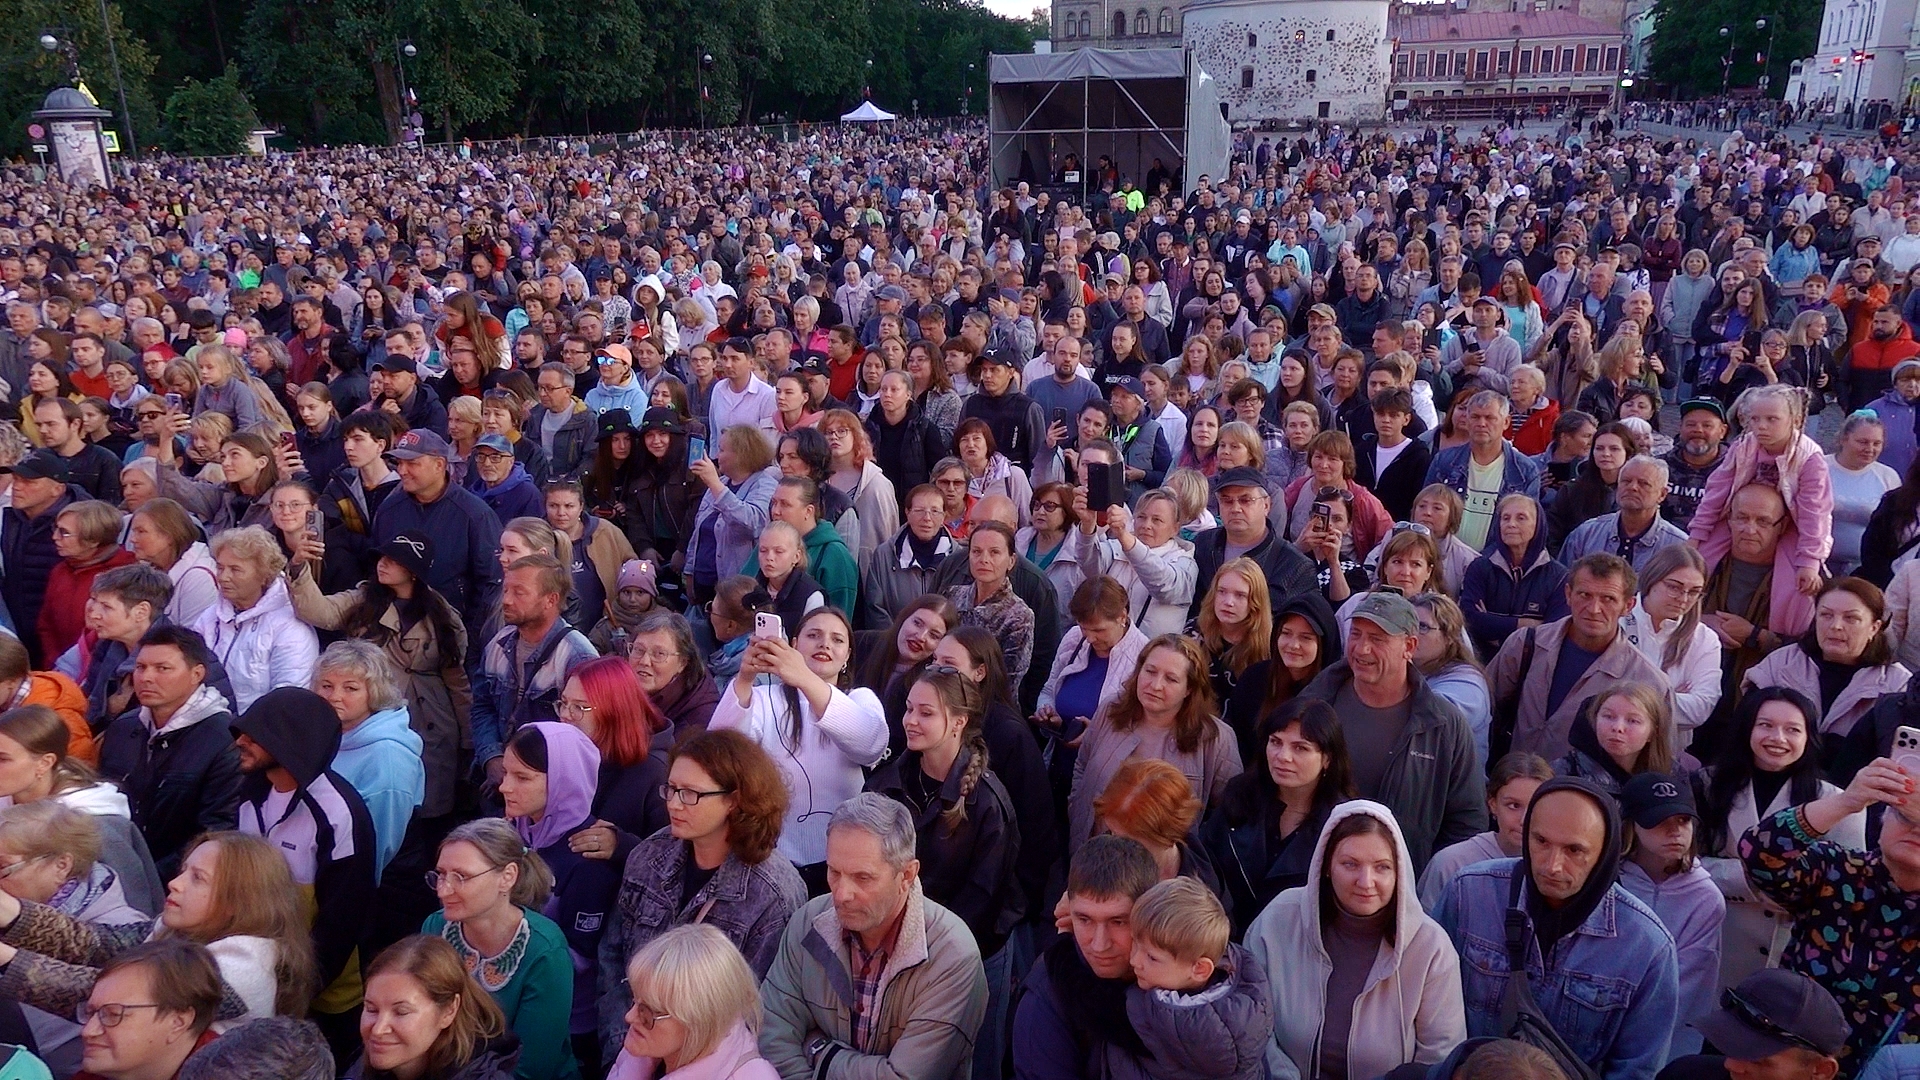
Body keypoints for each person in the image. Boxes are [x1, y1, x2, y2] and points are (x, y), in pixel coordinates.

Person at [1434, 777, 1681, 1080]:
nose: (1552, 865)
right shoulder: (1467, 894)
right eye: (1541, 842)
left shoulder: (1648, 948)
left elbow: (1636, 1070)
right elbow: (1431, 1020)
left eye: (1574, 850)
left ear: (1604, 852)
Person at [595, 729, 803, 1062]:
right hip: (630, 1047)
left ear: (734, 801)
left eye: (690, 793)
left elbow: (753, 1009)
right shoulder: (648, 857)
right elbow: (612, 956)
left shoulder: (773, 894)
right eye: (672, 789)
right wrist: (624, 1048)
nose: (674, 804)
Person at [759, 793, 988, 1080]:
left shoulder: (952, 956)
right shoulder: (807, 924)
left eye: (862, 878)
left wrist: (820, 1051)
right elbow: (770, 1033)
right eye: (834, 872)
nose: (841, 894)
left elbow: (904, 1076)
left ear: (906, 875)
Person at [1246, 800, 1468, 1080]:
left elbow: (1439, 1059)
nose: (1366, 881)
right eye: (1350, 864)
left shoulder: (1431, 948)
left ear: (1399, 871)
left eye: (1382, 867)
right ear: (1325, 866)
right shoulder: (1278, 920)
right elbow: (1250, 1024)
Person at [0, 830, 316, 1023]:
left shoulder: (237, 971)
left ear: (239, 900)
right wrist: (8, 910)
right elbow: (98, 943)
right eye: (184, 870)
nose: (174, 883)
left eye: (198, 879)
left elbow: (102, 996)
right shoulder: (182, 930)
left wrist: (6, 959)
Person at [1737, 752, 1920, 1071]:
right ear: (1881, 819)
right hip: (1791, 1069)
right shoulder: (1838, 871)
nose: (1917, 829)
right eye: (1906, 816)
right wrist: (1846, 802)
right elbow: (1759, 854)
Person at [229, 687, 379, 1051]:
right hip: (254, 979)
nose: (240, 742)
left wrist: (297, 994)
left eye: (256, 735)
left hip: (324, 1000)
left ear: (290, 740)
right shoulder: (247, 794)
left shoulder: (340, 814)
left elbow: (341, 921)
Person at [1294, 592, 1487, 870]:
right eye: (1356, 634)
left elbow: (1466, 822)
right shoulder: (1313, 704)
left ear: (1409, 646)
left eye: (1377, 639)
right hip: (1311, 873)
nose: (1361, 649)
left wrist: (1421, 886)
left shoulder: (1443, 725)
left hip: (1401, 885)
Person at [290, 530, 468, 824]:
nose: (382, 564)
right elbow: (319, 611)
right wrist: (299, 568)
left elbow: (456, 678)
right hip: (375, 711)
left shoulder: (441, 614)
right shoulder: (363, 599)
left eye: (393, 560)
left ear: (412, 571)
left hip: (434, 718)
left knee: (432, 808)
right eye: (381, 557)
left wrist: (468, 740)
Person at [1698, 687, 1865, 993]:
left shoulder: (1838, 802)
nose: (1778, 738)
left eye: (1792, 729)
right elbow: (1683, 865)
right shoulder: (1707, 784)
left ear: (1808, 737)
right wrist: (1747, 880)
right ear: (1747, 728)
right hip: (1717, 937)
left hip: (1790, 953)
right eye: (1765, 725)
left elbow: (1848, 887)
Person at [709, 606, 886, 888]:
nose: (825, 644)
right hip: (771, 860)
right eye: (813, 635)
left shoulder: (859, 699)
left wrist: (804, 678)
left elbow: (870, 744)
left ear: (848, 656)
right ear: (793, 645)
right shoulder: (763, 697)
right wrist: (744, 678)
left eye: (837, 640)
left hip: (840, 863)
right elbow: (718, 752)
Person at [866, 664, 1021, 952]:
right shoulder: (885, 784)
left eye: (926, 713)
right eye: (909, 708)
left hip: (954, 948)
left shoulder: (986, 802)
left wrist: (926, 943)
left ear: (959, 721)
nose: (910, 720)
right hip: (885, 938)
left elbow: (982, 899)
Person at [496, 723, 619, 1077]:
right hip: (504, 1007)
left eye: (523, 777)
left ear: (564, 781)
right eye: (506, 773)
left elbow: (578, 957)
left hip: (566, 1025)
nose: (505, 786)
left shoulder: (587, 860)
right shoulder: (512, 830)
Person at [424, 819, 578, 1080]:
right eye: (441, 874)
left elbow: (531, 1068)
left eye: (461, 876)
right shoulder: (436, 926)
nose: (444, 889)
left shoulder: (545, 951)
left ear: (507, 877)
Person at [1485, 554, 1671, 762]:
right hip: (1510, 782)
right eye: (1584, 595)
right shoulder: (1526, 644)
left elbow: (1656, 760)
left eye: (1608, 599)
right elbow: (1485, 706)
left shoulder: (1647, 681)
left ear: (1628, 606)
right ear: (1568, 594)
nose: (1593, 609)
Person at [1067, 634, 1240, 853]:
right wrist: (1076, 808)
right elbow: (1082, 765)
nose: (1155, 685)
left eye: (1171, 679)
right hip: (1090, 852)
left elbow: (1230, 812)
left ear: (1189, 689)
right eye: (1150, 671)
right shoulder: (1111, 710)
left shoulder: (1216, 738)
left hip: (1160, 874)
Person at [95, 627, 242, 879]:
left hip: (179, 880)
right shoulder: (122, 728)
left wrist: (146, 876)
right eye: (140, 667)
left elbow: (216, 831)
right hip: (114, 870)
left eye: (162, 668)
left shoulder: (225, 740)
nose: (146, 678)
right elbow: (103, 803)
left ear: (197, 674)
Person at [1200, 698, 1355, 937]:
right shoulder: (1238, 796)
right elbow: (1205, 868)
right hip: (1222, 939)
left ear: (1327, 759)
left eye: (1300, 748)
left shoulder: (1342, 824)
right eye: (1275, 742)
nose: (1283, 756)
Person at [1741, 577, 1909, 774]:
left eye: (1851, 618)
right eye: (1826, 615)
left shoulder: (1898, 684)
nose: (1836, 626)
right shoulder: (1781, 662)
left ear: (1874, 627)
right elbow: (1745, 728)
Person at [1615, 772, 1725, 1062]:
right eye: (1659, 821)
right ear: (1631, 827)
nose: (1675, 831)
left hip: (1670, 1042)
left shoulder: (1706, 898)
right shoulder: (1608, 881)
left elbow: (1686, 985)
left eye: (1683, 821)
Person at [372, 429, 505, 666]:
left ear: (439, 464)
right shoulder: (390, 509)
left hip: (450, 639)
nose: (401, 470)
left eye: (412, 463)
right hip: (395, 639)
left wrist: (468, 639)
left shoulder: (474, 515)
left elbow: (490, 584)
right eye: (399, 462)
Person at [472, 555, 599, 787]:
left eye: (519, 592)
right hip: (498, 784)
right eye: (506, 590)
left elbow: (585, 735)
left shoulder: (578, 656)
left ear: (550, 600)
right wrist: (492, 757)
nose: (506, 600)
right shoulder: (499, 644)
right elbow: (482, 705)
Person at [607, 924, 779, 1080]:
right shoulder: (646, 1049)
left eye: (647, 1013)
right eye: (634, 999)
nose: (630, 1017)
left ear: (698, 1021)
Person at [347, 935, 520, 1080]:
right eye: (371, 1009)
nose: (378, 1029)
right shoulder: (361, 1066)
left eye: (401, 1012)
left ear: (449, 1011)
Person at [187, 526, 318, 712]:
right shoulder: (209, 617)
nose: (223, 577)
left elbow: (288, 699)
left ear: (263, 575)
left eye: (235, 570)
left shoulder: (290, 626)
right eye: (220, 567)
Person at [67, 941, 225, 1080]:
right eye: (90, 1013)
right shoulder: (94, 1076)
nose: (88, 1031)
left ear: (177, 1023)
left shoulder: (230, 1072)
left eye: (113, 1014)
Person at [1416, 752, 1554, 910]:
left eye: (1535, 806)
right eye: (1514, 806)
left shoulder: (1556, 866)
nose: (1524, 820)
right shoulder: (1451, 863)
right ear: (1493, 804)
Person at [1657, 969, 1849, 1080]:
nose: (1731, 1065)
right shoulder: (1686, 1075)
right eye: (1730, 1048)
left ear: (1821, 1071)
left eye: (1758, 1059)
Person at [1620, 546, 1723, 748]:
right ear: (1651, 579)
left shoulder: (1705, 639)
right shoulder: (1619, 621)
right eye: (1674, 587)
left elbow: (1700, 709)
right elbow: (1598, 692)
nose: (1684, 599)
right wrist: (1671, 696)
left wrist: (1628, 695)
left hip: (1667, 751)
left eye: (1694, 592)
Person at [1188, 467, 1320, 618]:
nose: (1236, 508)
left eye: (1245, 500)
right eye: (1227, 501)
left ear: (1266, 505)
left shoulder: (1294, 566)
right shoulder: (1203, 545)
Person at [1423, 391, 1543, 553]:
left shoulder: (1524, 471)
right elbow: (1424, 512)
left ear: (1506, 422)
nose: (1481, 423)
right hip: (1443, 558)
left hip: (1493, 564)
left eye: (1490, 418)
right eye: (1475, 417)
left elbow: (1526, 527)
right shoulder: (1443, 462)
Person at [2, 451, 86, 667]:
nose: (18, 486)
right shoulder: (12, 518)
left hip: (66, 650)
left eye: (29, 481)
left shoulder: (81, 525)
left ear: (57, 489)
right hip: (22, 637)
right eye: (17, 479)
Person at [684, 426, 780, 605]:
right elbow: (698, 529)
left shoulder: (765, 485)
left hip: (736, 592)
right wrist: (689, 572)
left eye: (721, 450)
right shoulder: (721, 482)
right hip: (702, 585)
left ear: (741, 454)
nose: (715, 455)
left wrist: (715, 486)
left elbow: (753, 523)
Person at [41, 499, 136, 664]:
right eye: (55, 528)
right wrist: (55, 661)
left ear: (93, 540)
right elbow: (45, 623)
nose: (54, 537)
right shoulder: (60, 571)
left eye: (64, 532)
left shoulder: (126, 575)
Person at [1559, 456, 1692, 572]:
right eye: (1626, 481)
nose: (1632, 487)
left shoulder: (1678, 547)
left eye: (1643, 483)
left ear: (1662, 494)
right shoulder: (1586, 534)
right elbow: (1563, 585)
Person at [1552, 682, 1681, 797]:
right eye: (1608, 716)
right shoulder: (1564, 774)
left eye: (1633, 721)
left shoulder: (1672, 776)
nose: (1618, 728)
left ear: (1654, 732)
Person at [1825, 412, 1901, 576]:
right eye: (1863, 442)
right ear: (1844, 438)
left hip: (1865, 568)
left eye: (1877, 443)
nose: (1870, 449)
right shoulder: (1820, 468)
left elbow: (1895, 528)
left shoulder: (1888, 477)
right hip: (1819, 564)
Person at [126, 499, 220, 628]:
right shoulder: (148, 567)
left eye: (141, 531)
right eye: (133, 531)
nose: (132, 539)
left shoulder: (199, 577)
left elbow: (193, 640)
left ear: (169, 535)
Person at [626, 612, 722, 735]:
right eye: (639, 650)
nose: (644, 661)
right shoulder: (617, 685)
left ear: (682, 663)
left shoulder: (698, 718)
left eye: (659, 654)